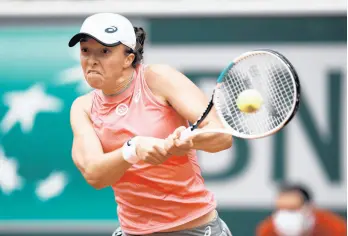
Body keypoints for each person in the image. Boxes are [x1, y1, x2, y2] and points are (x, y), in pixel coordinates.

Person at [68, 13, 233, 236]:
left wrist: (188, 139)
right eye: (85, 50)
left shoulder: (158, 78)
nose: (92, 60)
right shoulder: (83, 107)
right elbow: (95, 174)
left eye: (105, 51)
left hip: (194, 228)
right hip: (132, 231)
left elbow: (222, 137)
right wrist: (133, 149)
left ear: (128, 58)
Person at [256, 183, 347, 236]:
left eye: (292, 209)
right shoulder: (268, 230)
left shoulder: (335, 228)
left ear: (309, 208)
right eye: (281, 208)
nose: (285, 214)